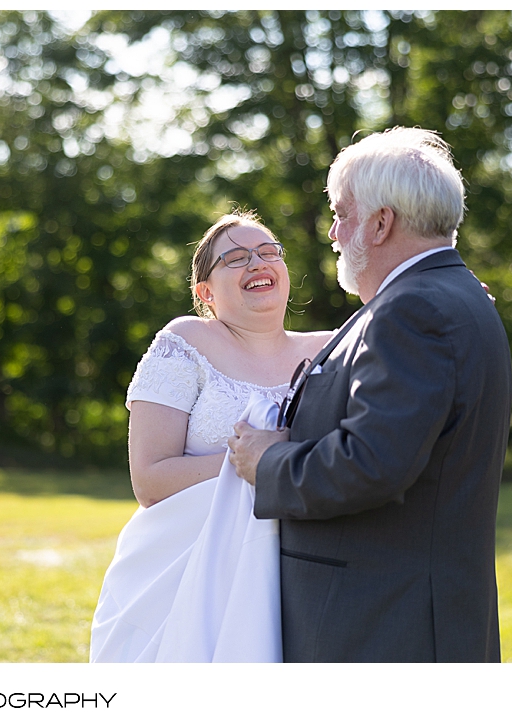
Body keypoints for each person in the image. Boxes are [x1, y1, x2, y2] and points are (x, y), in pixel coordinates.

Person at [229, 127, 512, 662]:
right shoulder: (448, 295)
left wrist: (269, 461)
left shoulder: (415, 310)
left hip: (382, 624)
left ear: (381, 223)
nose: (333, 232)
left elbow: (373, 463)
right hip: (408, 613)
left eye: (341, 213)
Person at [89, 211, 330, 662]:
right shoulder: (185, 341)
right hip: (181, 578)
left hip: (297, 580)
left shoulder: (332, 348)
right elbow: (149, 480)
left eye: (268, 252)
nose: (257, 263)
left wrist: (444, 297)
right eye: (236, 258)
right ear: (206, 292)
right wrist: (253, 459)